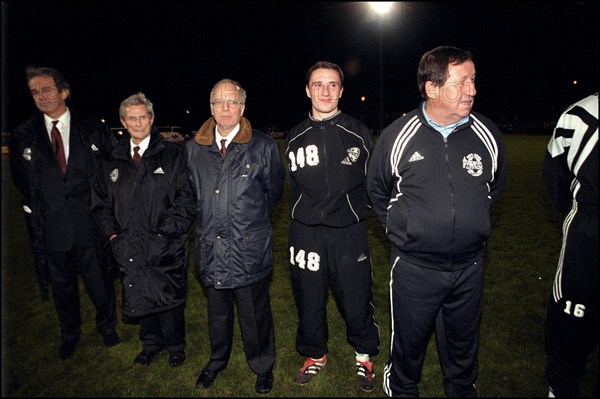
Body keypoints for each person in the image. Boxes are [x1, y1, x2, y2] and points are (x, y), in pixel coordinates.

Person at [367, 46, 508, 397]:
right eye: (461, 83)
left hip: (470, 266)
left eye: (473, 81)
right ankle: (401, 387)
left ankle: (461, 388)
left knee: (463, 342)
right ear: (432, 88)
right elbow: (377, 189)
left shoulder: (487, 133)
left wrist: (469, 224)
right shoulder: (397, 136)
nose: (471, 90)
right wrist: (405, 229)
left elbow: (494, 186)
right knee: (410, 343)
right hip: (415, 267)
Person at [8, 66, 120, 359]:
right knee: (62, 287)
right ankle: (70, 333)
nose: (41, 96)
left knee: (100, 282)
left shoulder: (92, 127)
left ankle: (107, 327)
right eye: (34, 92)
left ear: (63, 91)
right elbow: (22, 179)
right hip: (53, 226)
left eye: (46, 89)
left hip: (90, 224)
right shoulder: (23, 135)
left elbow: (112, 168)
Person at [285, 60, 381, 392]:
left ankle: (365, 354)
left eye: (332, 85)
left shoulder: (358, 131)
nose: (325, 91)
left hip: (348, 231)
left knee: (356, 296)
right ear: (308, 89)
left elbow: (373, 183)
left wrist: (352, 211)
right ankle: (315, 353)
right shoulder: (295, 136)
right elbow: (293, 187)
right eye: (318, 84)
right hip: (305, 232)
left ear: (341, 90)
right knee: (308, 297)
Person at [186, 79, 283, 394]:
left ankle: (262, 365)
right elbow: (191, 197)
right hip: (210, 248)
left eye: (231, 102)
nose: (225, 108)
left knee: (255, 313)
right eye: (218, 102)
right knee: (217, 313)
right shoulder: (193, 149)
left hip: (248, 249)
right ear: (211, 107)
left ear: (242, 107)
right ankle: (217, 360)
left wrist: (247, 227)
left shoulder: (264, 146)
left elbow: (273, 194)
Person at [92, 92, 195, 367]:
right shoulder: (110, 160)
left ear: (152, 118)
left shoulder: (173, 154)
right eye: (132, 118)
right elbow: (100, 204)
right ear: (123, 122)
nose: (138, 123)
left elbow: (186, 199)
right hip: (127, 242)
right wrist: (113, 236)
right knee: (138, 291)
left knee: (167, 294)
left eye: (143, 117)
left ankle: (175, 345)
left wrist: (164, 234)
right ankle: (150, 343)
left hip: (165, 242)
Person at [542, 92, 598, 398]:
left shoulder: (585, 111)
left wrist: (575, 210)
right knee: (573, 317)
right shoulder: (583, 113)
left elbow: (555, 172)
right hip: (589, 232)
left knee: (572, 320)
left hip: (588, 234)